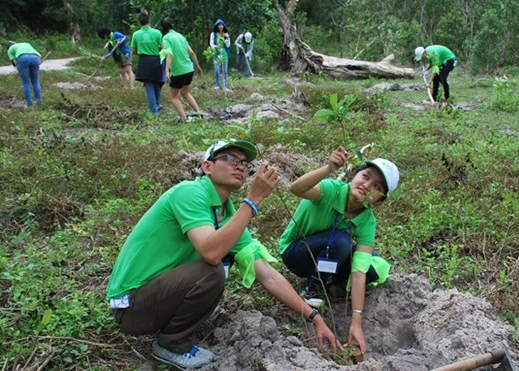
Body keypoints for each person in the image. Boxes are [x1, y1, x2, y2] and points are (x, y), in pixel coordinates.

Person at [106, 138, 342, 370]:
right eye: (229, 158)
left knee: (219, 263)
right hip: (131, 306)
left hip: (156, 296)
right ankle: (171, 345)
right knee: (212, 269)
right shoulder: (189, 193)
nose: (239, 166)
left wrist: (314, 317)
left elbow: (268, 276)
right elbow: (210, 252)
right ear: (207, 166)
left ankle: (179, 325)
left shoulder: (226, 215)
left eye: (244, 163)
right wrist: (253, 200)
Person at [278, 147, 399, 356]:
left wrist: (356, 321)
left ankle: (334, 287)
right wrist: (328, 168)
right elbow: (296, 189)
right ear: (355, 175)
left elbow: (359, 271)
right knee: (342, 242)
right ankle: (314, 288)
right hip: (297, 254)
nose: (367, 185)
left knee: (372, 267)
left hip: (328, 254)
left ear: (379, 200)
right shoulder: (330, 190)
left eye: (376, 187)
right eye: (365, 176)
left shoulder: (368, 221)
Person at [161, 18, 203, 122]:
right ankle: (198, 113)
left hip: (178, 71)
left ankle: (184, 119)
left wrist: (166, 70)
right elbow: (192, 52)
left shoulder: (166, 38)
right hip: (189, 68)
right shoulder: (181, 36)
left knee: (174, 97)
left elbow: (169, 54)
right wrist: (197, 66)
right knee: (185, 93)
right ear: (173, 24)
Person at [131, 11, 164, 116]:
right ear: (149, 21)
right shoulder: (157, 33)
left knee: (149, 86)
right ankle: (157, 105)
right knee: (158, 83)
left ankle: (154, 111)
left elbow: (133, 50)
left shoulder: (136, 34)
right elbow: (162, 48)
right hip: (156, 60)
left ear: (139, 23)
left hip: (144, 61)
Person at [7, 41, 42, 107]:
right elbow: (39, 55)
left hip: (23, 58)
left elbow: (14, 62)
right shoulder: (26, 44)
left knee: (25, 82)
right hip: (35, 58)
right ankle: (39, 102)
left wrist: (19, 70)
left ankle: (29, 104)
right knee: (35, 81)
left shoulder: (10, 50)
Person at [209, 19, 231, 90]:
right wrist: (216, 47)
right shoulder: (213, 34)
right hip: (216, 54)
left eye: (221, 25)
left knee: (225, 71)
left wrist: (227, 37)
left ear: (223, 26)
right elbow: (211, 44)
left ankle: (225, 85)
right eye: (219, 25)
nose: (220, 26)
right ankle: (217, 85)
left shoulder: (225, 34)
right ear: (217, 26)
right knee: (217, 70)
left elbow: (228, 45)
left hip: (224, 53)